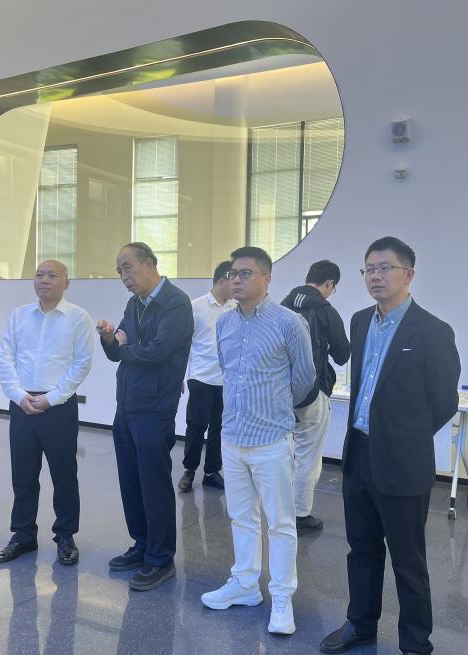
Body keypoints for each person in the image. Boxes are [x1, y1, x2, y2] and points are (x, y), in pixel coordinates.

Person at [321, 237, 460, 655]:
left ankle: (415, 642)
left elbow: (444, 401)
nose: (375, 276)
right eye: (368, 269)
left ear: (409, 274)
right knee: (361, 550)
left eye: (385, 268)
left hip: (402, 462)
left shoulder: (432, 331)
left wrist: (405, 436)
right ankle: (360, 625)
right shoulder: (360, 321)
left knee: (408, 560)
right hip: (359, 456)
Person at [200, 246, 315, 636]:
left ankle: (282, 596)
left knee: (280, 523)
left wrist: (276, 410)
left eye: (245, 273)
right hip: (232, 438)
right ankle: (246, 584)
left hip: (271, 440)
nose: (236, 280)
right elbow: (227, 372)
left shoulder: (289, 323)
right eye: (233, 273)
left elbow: (304, 379)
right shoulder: (225, 323)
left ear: (267, 279)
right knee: (241, 517)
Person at [97, 242, 193, 591]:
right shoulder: (134, 303)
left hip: (154, 408)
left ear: (150, 264)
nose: (123, 276)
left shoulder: (176, 303)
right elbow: (117, 353)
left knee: (154, 485)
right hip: (127, 405)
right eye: (119, 271)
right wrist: (110, 339)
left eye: (127, 267)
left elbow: (157, 352)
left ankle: (161, 557)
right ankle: (142, 543)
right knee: (131, 481)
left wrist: (124, 347)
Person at [0, 260, 94, 566]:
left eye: (52, 275)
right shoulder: (19, 315)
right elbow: (4, 355)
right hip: (22, 404)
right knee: (23, 475)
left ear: (66, 283)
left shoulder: (77, 317)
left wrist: (52, 398)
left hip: (58, 408)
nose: (44, 280)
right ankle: (23, 534)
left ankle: (65, 536)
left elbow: (82, 363)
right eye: (39, 275)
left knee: (64, 475)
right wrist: (17, 394)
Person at [281, 259, 350, 534]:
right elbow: (342, 354)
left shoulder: (281, 307)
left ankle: (279, 511)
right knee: (308, 456)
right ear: (329, 283)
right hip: (313, 392)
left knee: (282, 454)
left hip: (280, 394)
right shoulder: (326, 311)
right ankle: (300, 515)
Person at [178, 260, 235, 493]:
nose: (237, 285)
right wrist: (178, 376)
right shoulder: (196, 307)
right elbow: (183, 343)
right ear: (222, 279)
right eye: (234, 279)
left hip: (226, 379)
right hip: (200, 376)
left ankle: (212, 471)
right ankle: (189, 470)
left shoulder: (235, 307)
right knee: (197, 424)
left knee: (219, 427)